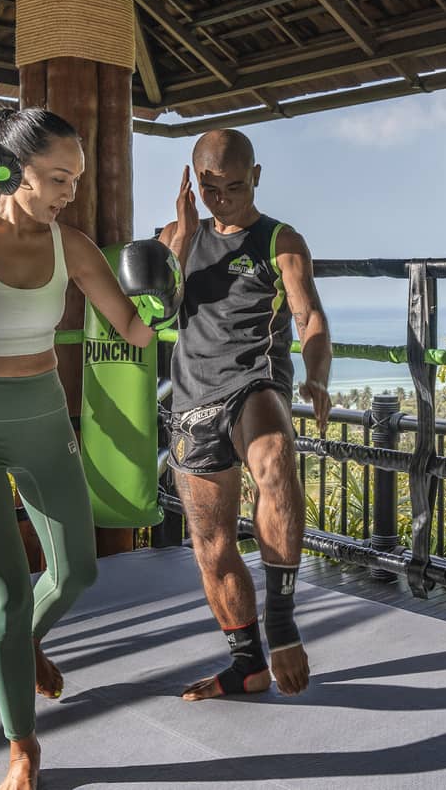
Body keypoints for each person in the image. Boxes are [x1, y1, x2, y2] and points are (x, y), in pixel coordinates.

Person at [0, 108, 179, 790]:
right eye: (57, 178)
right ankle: (23, 747)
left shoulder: (71, 246)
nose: (68, 193)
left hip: (45, 417)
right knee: (5, 593)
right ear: (14, 171)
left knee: (78, 571)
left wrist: (164, 295)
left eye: (75, 180)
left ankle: (19, 648)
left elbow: (134, 332)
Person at [157, 128, 332, 701]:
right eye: (212, 189)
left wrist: (317, 376)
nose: (224, 199)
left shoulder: (281, 240)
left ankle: (280, 621)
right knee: (211, 544)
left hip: (254, 383)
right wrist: (183, 237)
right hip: (192, 400)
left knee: (275, 458)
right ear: (194, 182)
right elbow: (153, 313)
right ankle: (246, 663)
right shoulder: (174, 238)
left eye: (236, 187)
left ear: (256, 177)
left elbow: (309, 317)